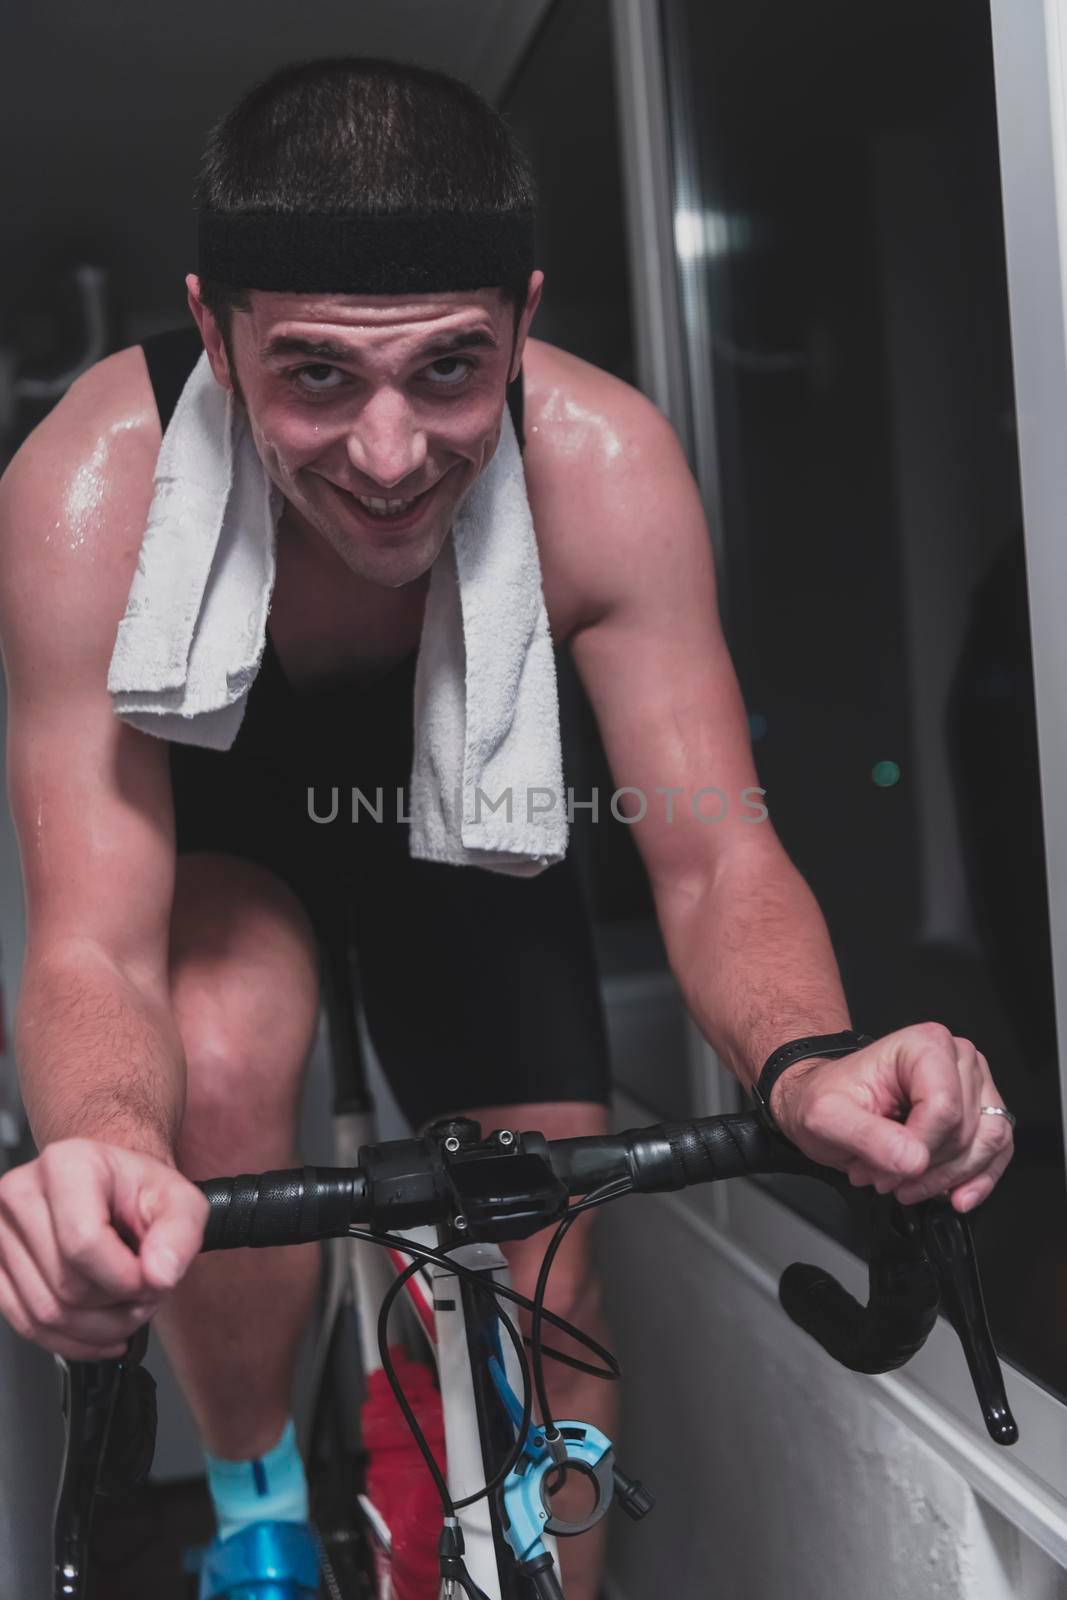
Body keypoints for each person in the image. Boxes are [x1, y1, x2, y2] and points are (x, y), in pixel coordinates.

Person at [0, 56, 1014, 1600]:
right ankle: (260, 1497)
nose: (393, 457)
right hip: (216, 828)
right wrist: (105, 1159)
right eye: (319, 376)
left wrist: (808, 1061)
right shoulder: (87, 484)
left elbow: (714, 849)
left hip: (464, 816)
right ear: (214, 334)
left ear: (525, 323)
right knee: (206, 1072)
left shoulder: (602, 467)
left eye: (452, 371)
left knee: (542, 1229)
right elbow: (89, 941)